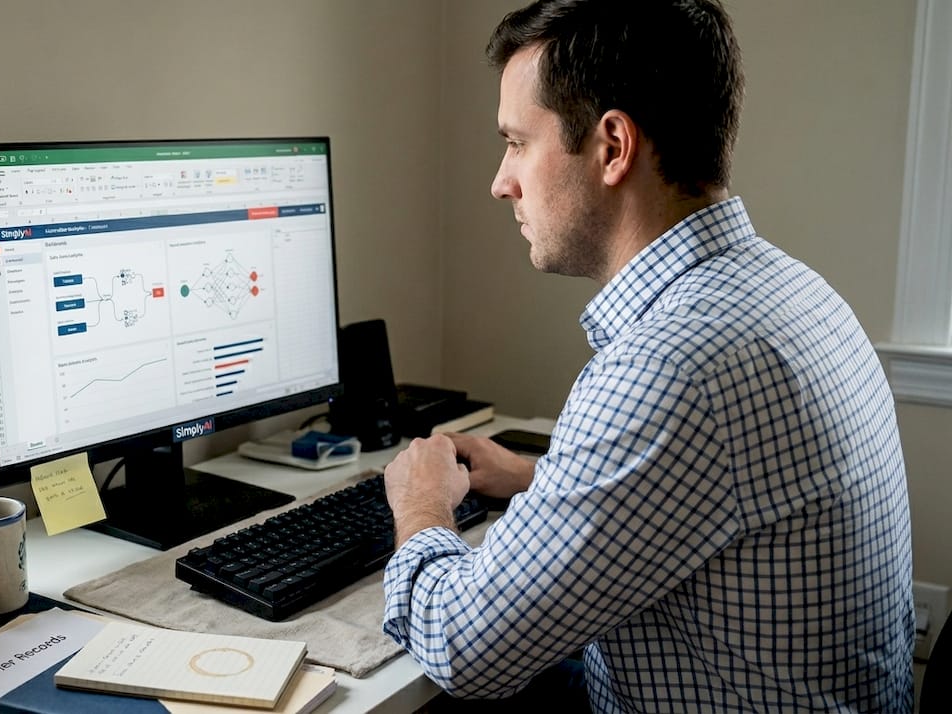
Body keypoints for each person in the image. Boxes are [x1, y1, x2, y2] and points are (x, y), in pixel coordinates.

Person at [381, 1, 914, 711]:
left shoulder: (674, 363)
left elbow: (463, 649)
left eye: (516, 142)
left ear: (612, 147)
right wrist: (540, 479)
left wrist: (420, 507)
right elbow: (711, 485)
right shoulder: (792, 292)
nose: (500, 181)